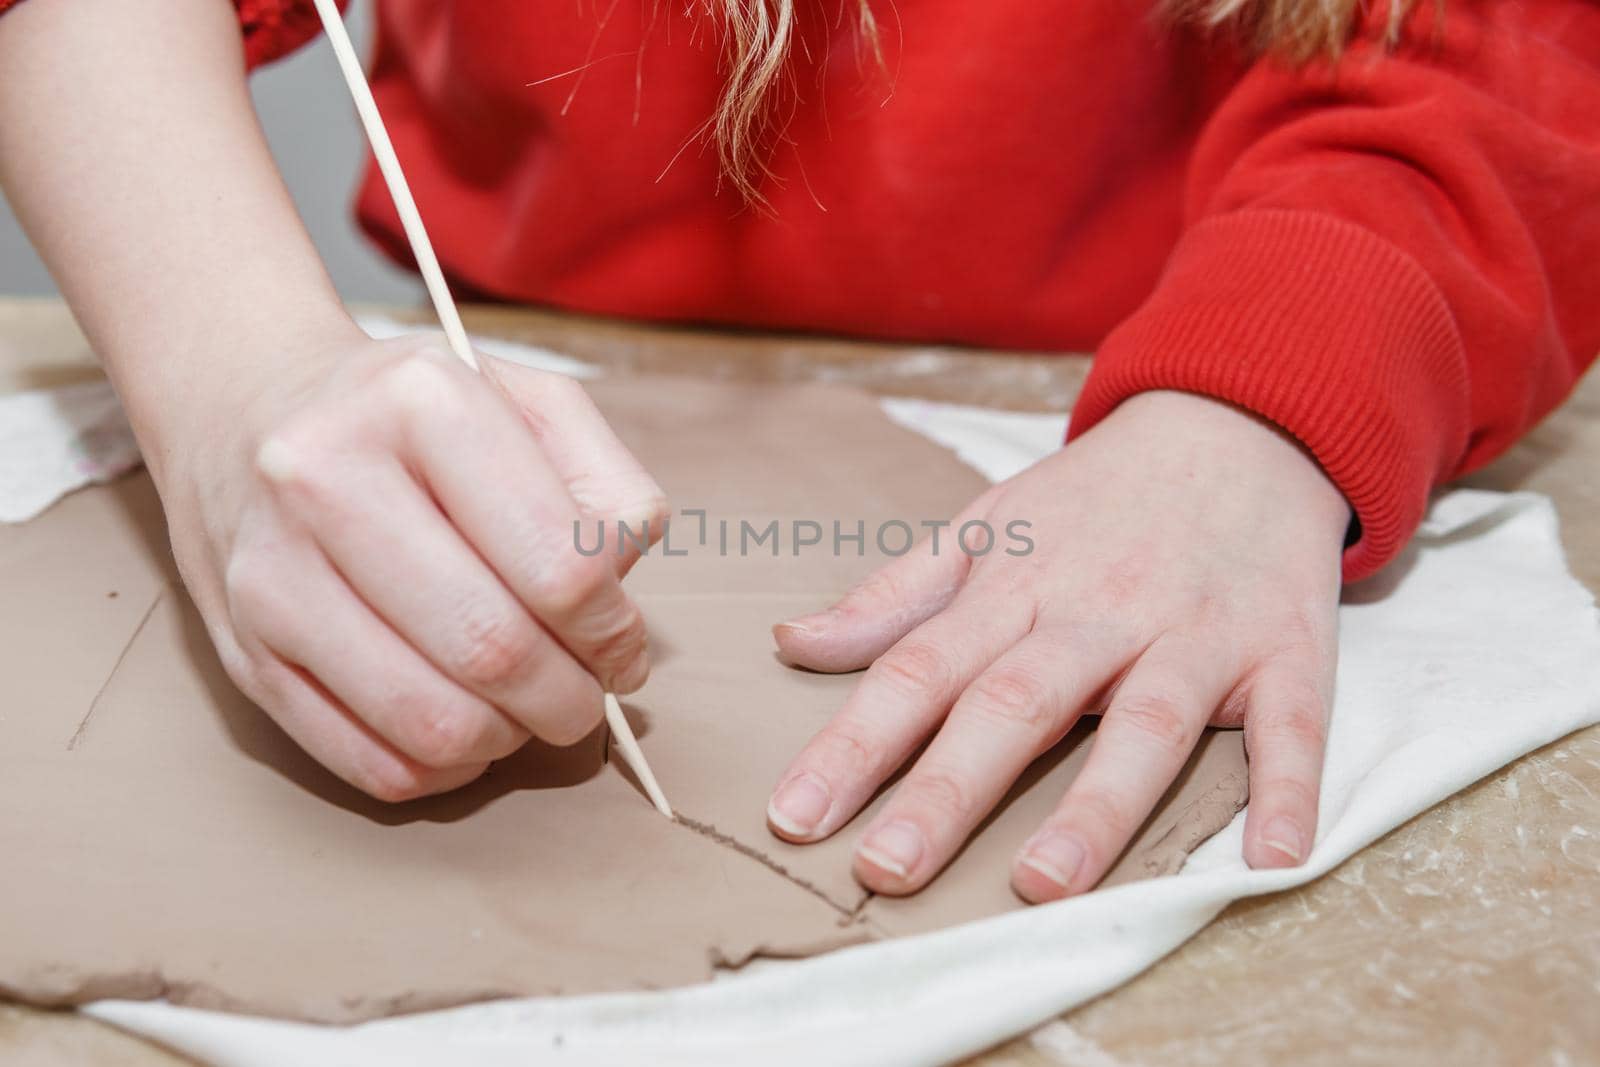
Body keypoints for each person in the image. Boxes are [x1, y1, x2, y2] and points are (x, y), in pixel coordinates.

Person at [1, 0, 1595, 905]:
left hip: (1176, 392)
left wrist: (1261, 399)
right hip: (523, 345)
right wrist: (234, 371)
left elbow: (1517, 55)